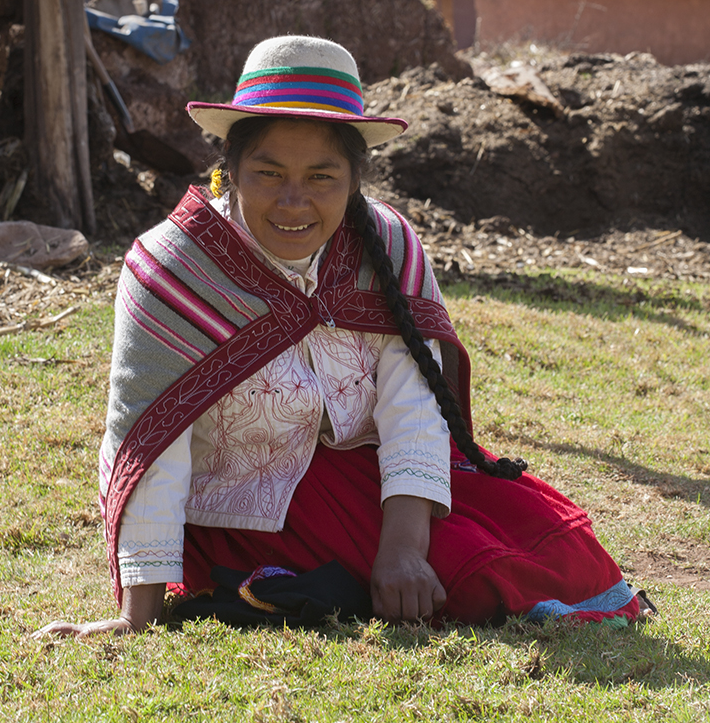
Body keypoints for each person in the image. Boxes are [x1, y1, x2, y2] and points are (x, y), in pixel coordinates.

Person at [36, 35, 648, 638]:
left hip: (373, 477)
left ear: (356, 178)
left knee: (559, 558)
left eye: (323, 176)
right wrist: (135, 614)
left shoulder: (387, 242)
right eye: (268, 172)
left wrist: (403, 549)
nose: (294, 200)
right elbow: (150, 435)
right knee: (471, 582)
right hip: (245, 498)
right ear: (230, 169)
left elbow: (413, 405)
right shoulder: (173, 267)